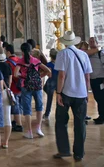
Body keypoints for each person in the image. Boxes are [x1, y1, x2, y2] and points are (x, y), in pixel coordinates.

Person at [53, 31, 93, 161]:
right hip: (81, 94)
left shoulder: (62, 54)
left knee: (61, 122)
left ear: (64, 42)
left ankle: (64, 150)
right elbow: (87, 77)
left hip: (66, 93)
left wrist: (58, 93)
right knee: (80, 124)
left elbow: (62, 75)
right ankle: (79, 153)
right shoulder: (83, 54)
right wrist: (86, 92)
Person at [14, 42, 51, 138]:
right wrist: (39, 76)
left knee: (27, 108)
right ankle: (38, 128)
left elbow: (15, 74)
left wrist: (23, 76)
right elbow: (48, 71)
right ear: (31, 50)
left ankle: (29, 131)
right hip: (37, 86)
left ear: (22, 51)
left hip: (25, 86)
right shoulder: (35, 60)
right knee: (39, 107)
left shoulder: (20, 61)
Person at [0, 45, 13, 149]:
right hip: (5, 92)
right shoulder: (7, 65)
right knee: (7, 118)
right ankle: (6, 141)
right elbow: (10, 80)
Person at [5, 43, 23, 131]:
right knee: (17, 105)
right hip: (20, 85)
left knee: (15, 106)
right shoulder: (18, 60)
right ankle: (14, 122)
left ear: (8, 52)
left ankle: (19, 124)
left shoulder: (7, 62)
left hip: (13, 86)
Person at [86, 37, 104, 124]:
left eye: (93, 41)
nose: (92, 42)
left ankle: (102, 117)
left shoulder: (101, 53)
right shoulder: (89, 54)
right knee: (97, 98)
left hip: (100, 79)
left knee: (101, 98)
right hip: (93, 79)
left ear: (97, 42)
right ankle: (101, 115)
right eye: (90, 41)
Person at [44, 48, 59, 121]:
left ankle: (47, 113)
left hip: (51, 81)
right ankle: (58, 114)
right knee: (59, 98)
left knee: (49, 99)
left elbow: (49, 74)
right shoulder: (60, 63)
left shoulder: (49, 64)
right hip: (59, 81)